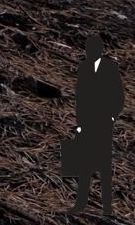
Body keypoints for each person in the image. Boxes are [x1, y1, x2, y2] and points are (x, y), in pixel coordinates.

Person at [67, 33, 123, 220]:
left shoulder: (110, 68)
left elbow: (119, 96)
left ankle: (107, 206)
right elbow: (80, 97)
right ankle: (81, 202)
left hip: (104, 123)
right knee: (85, 164)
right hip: (87, 123)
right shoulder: (83, 68)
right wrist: (80, 123)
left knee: (104, 165)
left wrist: (112, 117)